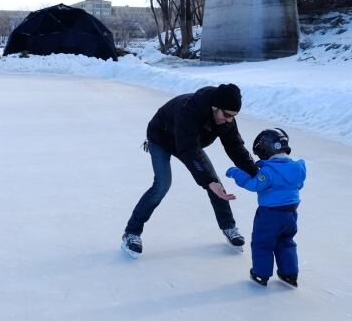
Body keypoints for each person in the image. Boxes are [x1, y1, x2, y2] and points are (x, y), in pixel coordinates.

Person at [121, 84, 258, 259]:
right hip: (161, 139)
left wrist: (254, 171)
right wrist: (207, 181)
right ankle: (131, 232)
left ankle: (228, 226)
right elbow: (188, 151)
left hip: (189, 143)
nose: (230, 120)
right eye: (227, 115)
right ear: (214, 107)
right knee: (162, 185)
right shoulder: (189, 110)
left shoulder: (225, 117)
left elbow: (235, 147)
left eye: (234, 116)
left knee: (216, 184)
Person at [226, 128, 306, 287]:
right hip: (291, 213)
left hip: (270, 214)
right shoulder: (298, 168)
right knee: (286, 241)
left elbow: (254, 184)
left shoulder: (268, 171)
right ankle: (289, 274)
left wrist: (235, 173)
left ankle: (261, 274)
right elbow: (299, 185)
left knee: (262, 243)